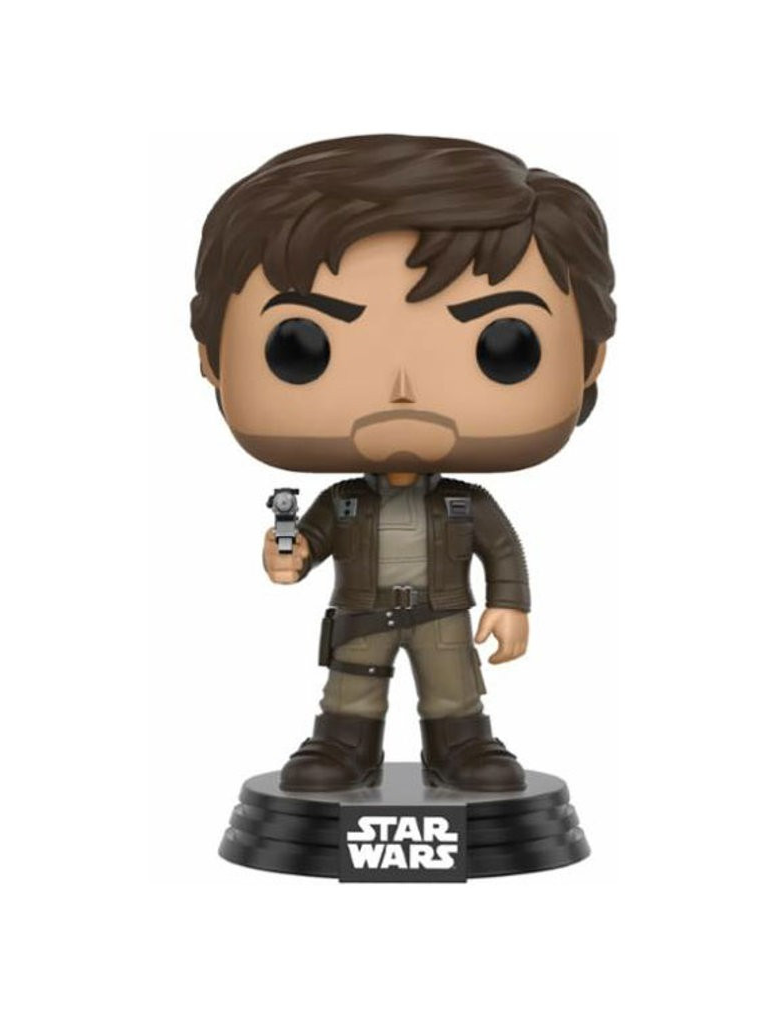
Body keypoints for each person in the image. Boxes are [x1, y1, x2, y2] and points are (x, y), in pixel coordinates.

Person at [191, 135, 615, 792]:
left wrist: (510, 604)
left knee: (453, 688)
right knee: (352, 687)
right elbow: (311, 541)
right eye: (301, 346)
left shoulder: (466, 504)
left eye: (504, 345)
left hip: (442, 613)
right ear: (212, 357)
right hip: (362, 612)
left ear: (589, 359)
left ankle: (462, 748)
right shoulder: (343, 503)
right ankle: (343, 748)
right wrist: (291, 553)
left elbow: (502, 550)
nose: (402, 391)